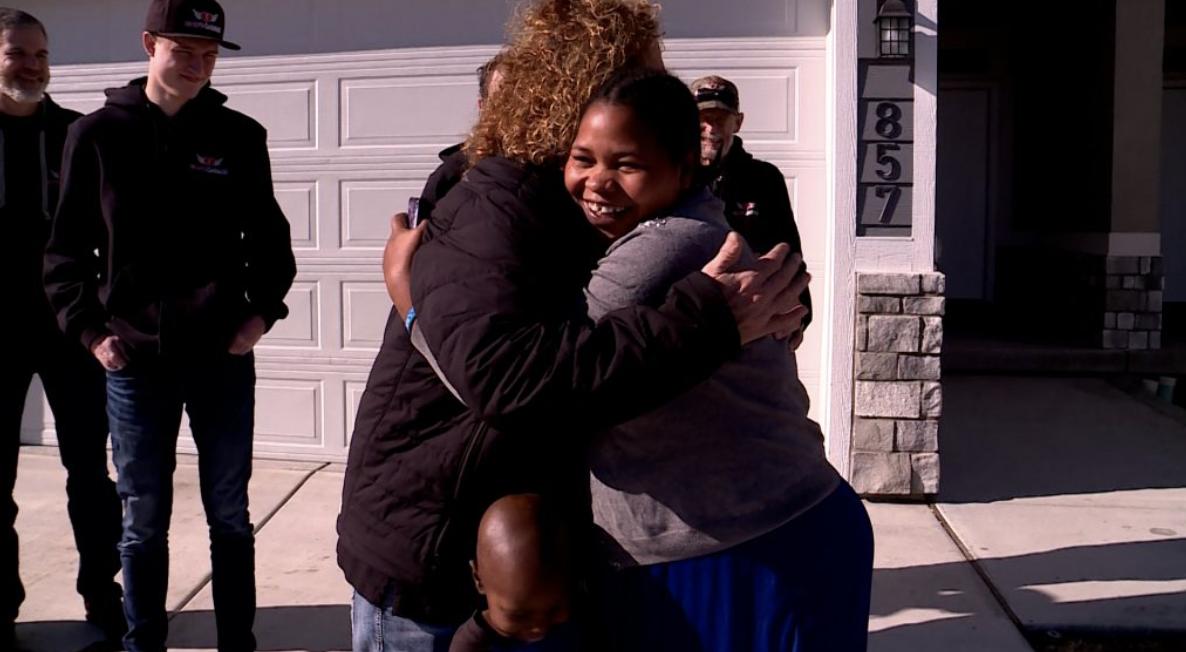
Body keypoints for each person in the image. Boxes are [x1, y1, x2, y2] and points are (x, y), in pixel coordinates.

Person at [338, 1, 810, 650]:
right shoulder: (496, 202)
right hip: (433, 551)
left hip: (522, 559)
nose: (658, 88)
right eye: (645, 72)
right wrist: (711, 320)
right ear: (580, 91)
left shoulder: (576, 201)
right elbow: (508, 379)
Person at [567, 67, 872, 652]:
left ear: (684, 168)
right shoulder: (648, 228)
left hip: (753, 548)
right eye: (583, 158)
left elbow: (522, 371)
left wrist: (413, 304)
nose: (598, 181)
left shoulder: (668, 242)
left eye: (626, 164)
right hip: (738, 536)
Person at [42, 0, 296, 650]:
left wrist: (259, 316)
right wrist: (92, 335)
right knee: (142, 520)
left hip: (221, 360)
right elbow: (65, 254)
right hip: (135, 362)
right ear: (149, 44)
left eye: (209, 54)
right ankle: (142, 644)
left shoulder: (239, 137)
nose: (198, 64)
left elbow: (272, 245)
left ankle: (237, 643)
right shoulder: (97, 135)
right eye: (184, 50)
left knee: (230, 515)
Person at [0, 7, 124, 646]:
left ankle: (104, 595)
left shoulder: (78, 134)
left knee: (91, 475)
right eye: (17, 53)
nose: (32, 66)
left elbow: (112, 232)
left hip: (71, 329)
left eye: (41, 54)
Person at [692, 74, 813, 336]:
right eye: (703, 117)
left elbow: (789, 252)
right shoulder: (673, 178)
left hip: (756, 321)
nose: (711, 128)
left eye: (720, 118)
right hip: (690, 319)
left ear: (738, 122)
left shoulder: (763, 178)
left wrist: (798, 318)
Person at [448, 494, 583, 652]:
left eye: (554, 610)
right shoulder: (471, 645)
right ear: (479, 580)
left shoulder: (579, 620)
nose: (539, 629)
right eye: (519, 615)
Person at [415, 53, 506, 228]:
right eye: (502, 99)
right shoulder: (452, 175)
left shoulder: (557, 171)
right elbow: (419, 238)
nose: (513, 110)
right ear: (483, 107)